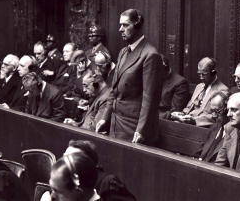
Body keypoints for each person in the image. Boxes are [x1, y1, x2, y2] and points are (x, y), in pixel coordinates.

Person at [96, 9, 163, 144]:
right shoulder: (123, 52)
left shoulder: (150, 55)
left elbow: (150, 97)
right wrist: (105, 117)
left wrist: (141, 130)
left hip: (134, 127)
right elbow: (114, 90)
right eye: (121, 25)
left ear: (137, 26)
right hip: (117, 122)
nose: (121, 29)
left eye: (126, 25)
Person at [40, 140, 136, 201]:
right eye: (64, 157)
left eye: (72, 158)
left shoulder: (109, 182)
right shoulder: (62, 179)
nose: (64, 163)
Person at [171, 57, 228, 127]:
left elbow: (217, 117)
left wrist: (194, 120)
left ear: (213, 72)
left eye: (204, 74)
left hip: (203, 127)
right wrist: (181, 114)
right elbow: (189, 107)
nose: (201, 77)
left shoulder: (222, 90)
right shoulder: (199, 87)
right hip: (188, 122)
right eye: (200, 74)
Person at [196, 90, 230, 163]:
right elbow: (201, 151)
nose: (214, 116)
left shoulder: (233, 133)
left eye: (217, 111)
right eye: (212, 111)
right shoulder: (214, 126)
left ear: (227, 109)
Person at [158, 55, 190, 119]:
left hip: (164, 121)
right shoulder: (155, 78)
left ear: (164, 68)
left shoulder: (180, 83)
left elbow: (175, 112)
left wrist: (152, 115)